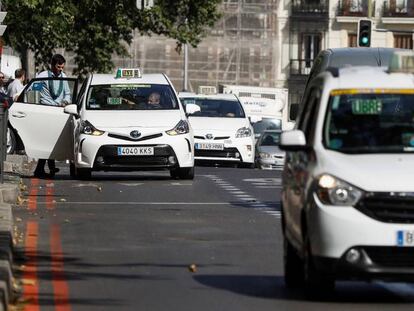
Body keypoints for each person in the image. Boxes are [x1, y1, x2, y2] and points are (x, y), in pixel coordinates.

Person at [34, 54, 71, 178]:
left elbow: (67, 93)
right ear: (52, 65)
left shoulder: (64, 77)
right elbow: (33, 92)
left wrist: (65, 102)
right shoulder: (42, 76)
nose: (60, 69)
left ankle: (43, 168)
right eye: (58, 67)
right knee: (46, 140)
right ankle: (47, 168)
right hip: (45, 110)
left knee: (52, 141)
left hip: (58, 111)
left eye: (62, 67)